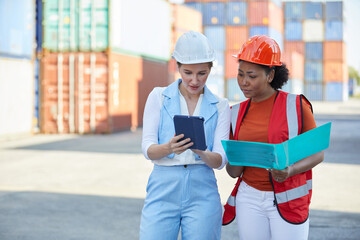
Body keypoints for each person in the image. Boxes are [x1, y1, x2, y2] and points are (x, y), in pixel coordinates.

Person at [222, 35, 324, 240]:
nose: (244, 82)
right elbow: (233, 172)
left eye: (251, 76)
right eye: (240, 74)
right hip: (248, 198)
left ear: (270, 75)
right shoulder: (233, 113)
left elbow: (318, 153)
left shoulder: (296, 106)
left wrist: (290, 170)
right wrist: (235, 159)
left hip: (289, 198)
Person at [139, 31, 230, 240]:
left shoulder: (222, 106)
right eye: (188, 72)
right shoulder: (158, 97)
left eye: (202, 73)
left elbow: (220, 161)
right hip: (163, 187)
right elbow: (148, 148)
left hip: (203, 190)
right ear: (177, 66)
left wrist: (200, 151)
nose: (195, 80)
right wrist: (169, 148)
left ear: (210, 69)